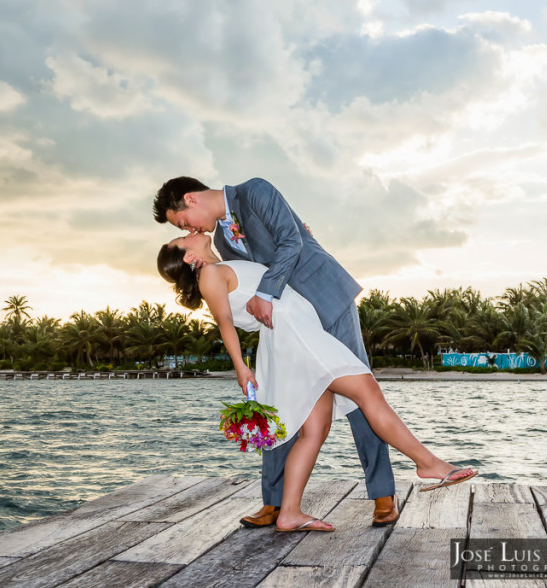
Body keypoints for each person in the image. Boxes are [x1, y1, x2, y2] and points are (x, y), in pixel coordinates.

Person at [157, 233, 478, 532]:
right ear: (188, 257)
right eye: (182, 238)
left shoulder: (220, 267)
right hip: (295, 336)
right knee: (367, 393)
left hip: (294, 336)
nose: (189, 233)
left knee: (314, 430)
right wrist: (240, 367)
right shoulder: (210, 276)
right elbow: (225, 323)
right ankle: (428, 463)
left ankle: (290, 513)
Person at [154, 175, 387, 528]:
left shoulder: (255, 191)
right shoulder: (218, 244)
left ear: (190, 199)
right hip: (288, 323)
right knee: (277, 405)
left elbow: (290, 241)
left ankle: (383, 494)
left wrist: (297, 243)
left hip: (326, 298)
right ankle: (275, 502)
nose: (189, 228)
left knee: (360, 396)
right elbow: (247, 278)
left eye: (183, 222)